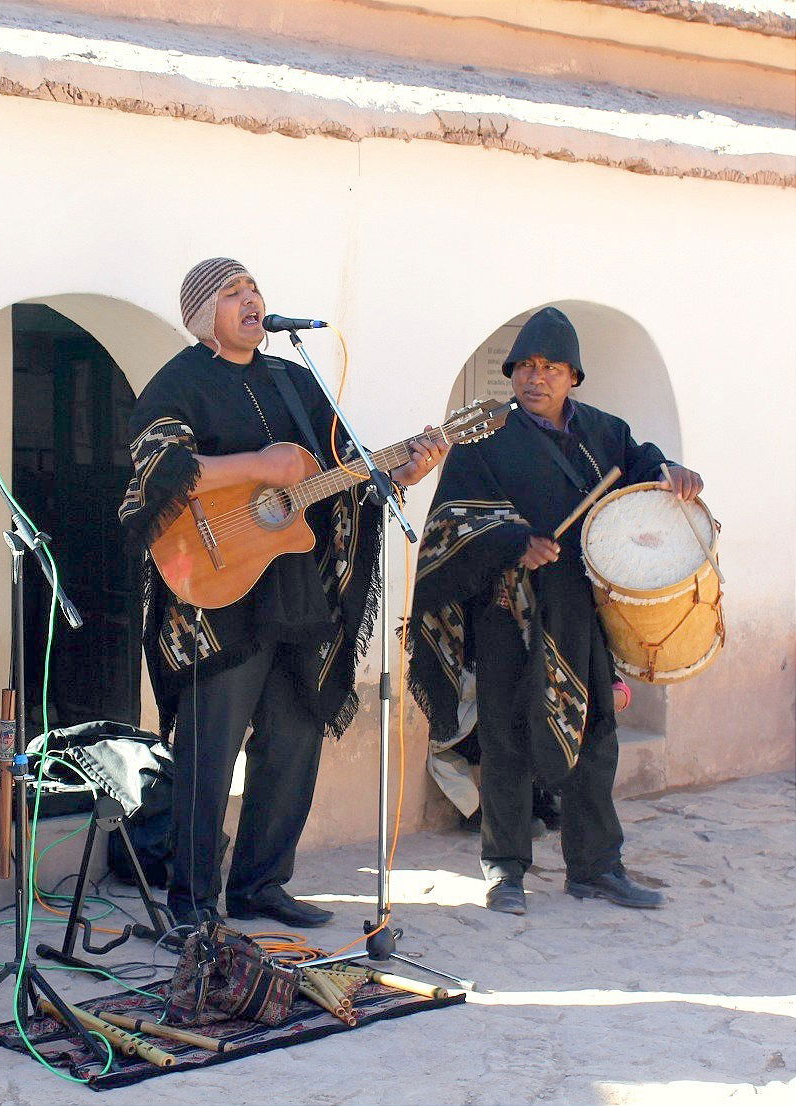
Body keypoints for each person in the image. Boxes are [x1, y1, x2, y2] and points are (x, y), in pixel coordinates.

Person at [118, 258, 447, 928]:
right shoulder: (180, 381)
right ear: (201, 315)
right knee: (207, 756)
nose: (250, 301)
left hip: (296, 596)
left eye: (253, 290)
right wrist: (257, 467)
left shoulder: (295, 382)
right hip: (217, 596)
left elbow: (338, 476)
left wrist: (401, 471)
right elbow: (157, 468)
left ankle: (260, 884)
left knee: (292, 741)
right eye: (231, 293)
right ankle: (189, 903)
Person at [407, 306, 703, 915]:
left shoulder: (603, 432)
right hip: (505, 610)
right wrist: (515, 541)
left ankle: (596, 867)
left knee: (596, 734)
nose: (535, 378)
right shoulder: (482, 440)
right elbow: (450, 522)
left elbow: (644, 465)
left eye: (551, 368)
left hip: (579, 609)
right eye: (525, 367)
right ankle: (505, 869)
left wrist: (672, 471)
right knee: (505, 737)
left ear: (573, 377)